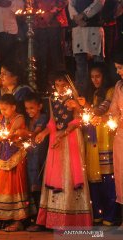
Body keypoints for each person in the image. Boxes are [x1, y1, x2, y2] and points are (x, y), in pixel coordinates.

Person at [35, 72, 92, 229]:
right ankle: (54, 220)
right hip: (56, 139)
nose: (60, 89)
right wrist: (44, 133)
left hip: (71, 138)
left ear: (69, 85)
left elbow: (78, 120)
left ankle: (72, 220)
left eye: (63, 85)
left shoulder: (75, 100)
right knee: (56, 176)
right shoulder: (52, 100)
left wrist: (63, 133)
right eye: (57, 85)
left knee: (69, 176)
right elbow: (52, 122)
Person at [0, 94, 30, 231]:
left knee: (15, 187)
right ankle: (4, 218)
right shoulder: (2, 118)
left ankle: (19, 221)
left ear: (13, 107)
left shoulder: (19, 118)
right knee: (3, 187)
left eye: (5, 109)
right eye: (1, 109)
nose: (2, 112)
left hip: (16, 158)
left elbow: (8, 135)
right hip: (5, 158)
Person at [80, 63, 117, 226]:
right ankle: (97, 214)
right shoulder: (93, 93)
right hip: (93, 142)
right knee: (94, 179)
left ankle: (110, 215)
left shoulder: (110, 91)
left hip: (106, 140)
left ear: (104, 76)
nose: (95, 80)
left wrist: (85, 106)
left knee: (108, 179)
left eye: (98, 76)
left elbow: (102, 109)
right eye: (92, 77)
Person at [16, 92, 49, 231]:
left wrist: (24, 134)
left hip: (40, 159)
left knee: (39, 188)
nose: (29, 111)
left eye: (32, 108)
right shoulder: (29, 121)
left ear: (40, 106)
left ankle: (40, 222)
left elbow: (35, 133)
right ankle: (34, 218)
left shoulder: (42, 118)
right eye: (27, 108)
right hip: (31, 158)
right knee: (31, 188)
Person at [68, 0, 105, 97]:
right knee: (80, 68)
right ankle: (82, 98)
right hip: (78, 30)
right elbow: (71, 4)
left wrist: (84, 15)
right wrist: (76, 17)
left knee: (97, 65)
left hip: (93, 28)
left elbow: (99, 2)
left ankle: (100, 96)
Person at [108, 52, 123, 230]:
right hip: (121, 137)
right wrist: (109, 119)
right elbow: (113, 110)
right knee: (121, 175)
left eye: (120, 68)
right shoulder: (119, 86)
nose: (118, 72)